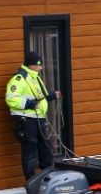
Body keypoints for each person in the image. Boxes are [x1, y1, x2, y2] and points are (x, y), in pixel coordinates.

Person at [5, 51, 60, 180]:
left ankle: (48, 177)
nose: (41, 67)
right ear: (30, 66)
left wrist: (51, 96)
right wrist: (29, 104)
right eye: (38, 65)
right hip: (26, 119)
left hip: (38, 118)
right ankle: (31, 181)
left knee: (45, 148)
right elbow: (11, 98)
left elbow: (39, 98)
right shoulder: (19, 79)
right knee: (30, 150)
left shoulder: (34, 77)